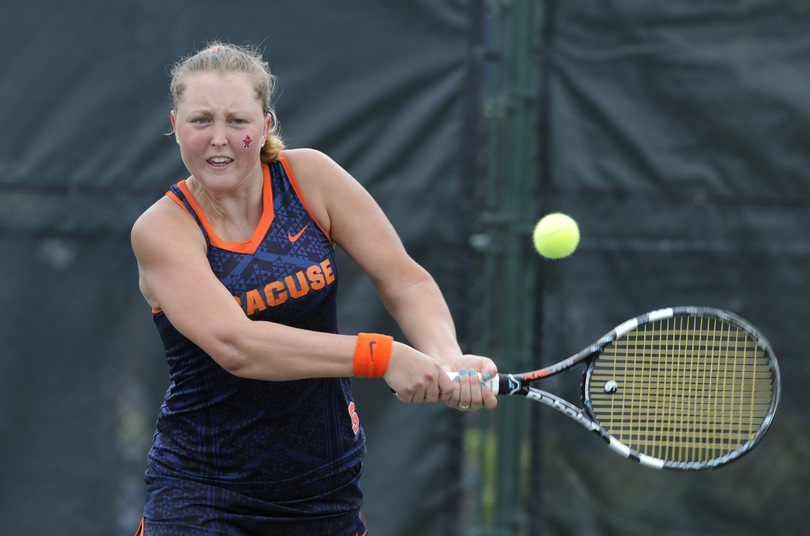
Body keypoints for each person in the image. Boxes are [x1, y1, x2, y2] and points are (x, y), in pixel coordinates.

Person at [130, 41, 498, 535]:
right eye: (201, 121)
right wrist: (383, 356)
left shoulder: (310, 178)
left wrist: (445, 357)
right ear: (175, 125)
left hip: (326, 490)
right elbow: (238, 346)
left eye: (237, 121)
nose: (219, 138)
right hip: (203, 497)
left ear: (265, 126)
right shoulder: (163, 230)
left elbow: (404, 279)